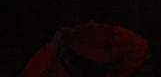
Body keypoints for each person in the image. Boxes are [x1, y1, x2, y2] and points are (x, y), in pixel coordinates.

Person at [20, 21, 148, 77]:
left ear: (67, 56)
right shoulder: (112, 72)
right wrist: (102, 30)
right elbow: (138, 46)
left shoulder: (56, 72)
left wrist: (51, 47)